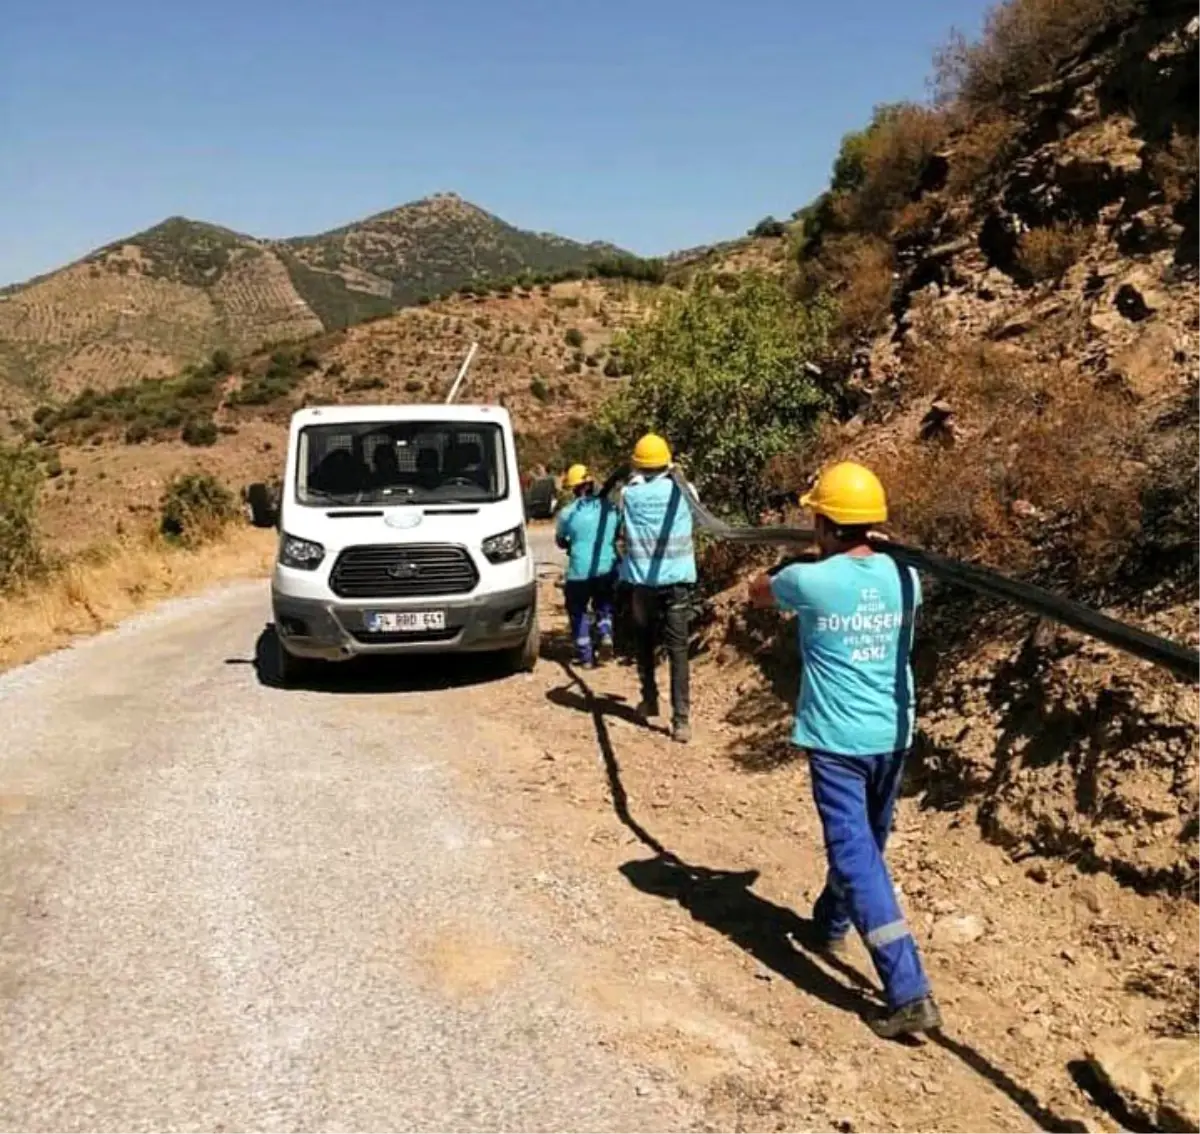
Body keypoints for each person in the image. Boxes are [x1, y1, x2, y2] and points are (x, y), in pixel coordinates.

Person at [748, 460, 941, 1040]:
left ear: (828, 524)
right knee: (869, 844)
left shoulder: (810, 581)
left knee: (858, 855)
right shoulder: (907, 578)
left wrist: (804, 560)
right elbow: (873, 574)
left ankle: (908, 990)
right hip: (893, 733)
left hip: (837, 742)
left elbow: (760, 592)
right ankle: (830, 921)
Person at [617, 433, 699, 745]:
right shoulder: (684, 490)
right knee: (678, 652)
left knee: (644, 643)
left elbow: (621, 517)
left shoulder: (629, 494)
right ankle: (681, 721)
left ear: (638, 464)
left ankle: (649, 700)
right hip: (677, 582)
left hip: (642, 585)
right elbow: (698, 518)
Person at [555, 464, 620, 667]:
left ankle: (585, 657)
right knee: (604, 605)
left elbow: (560, 540)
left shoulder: (568, 513)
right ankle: (605, 632)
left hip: (579, 572)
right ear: (592, 484)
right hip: (606, 568)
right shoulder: (610, 508)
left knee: (577, 610)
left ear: (573, 488)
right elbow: (617, 533)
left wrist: (571, 542)